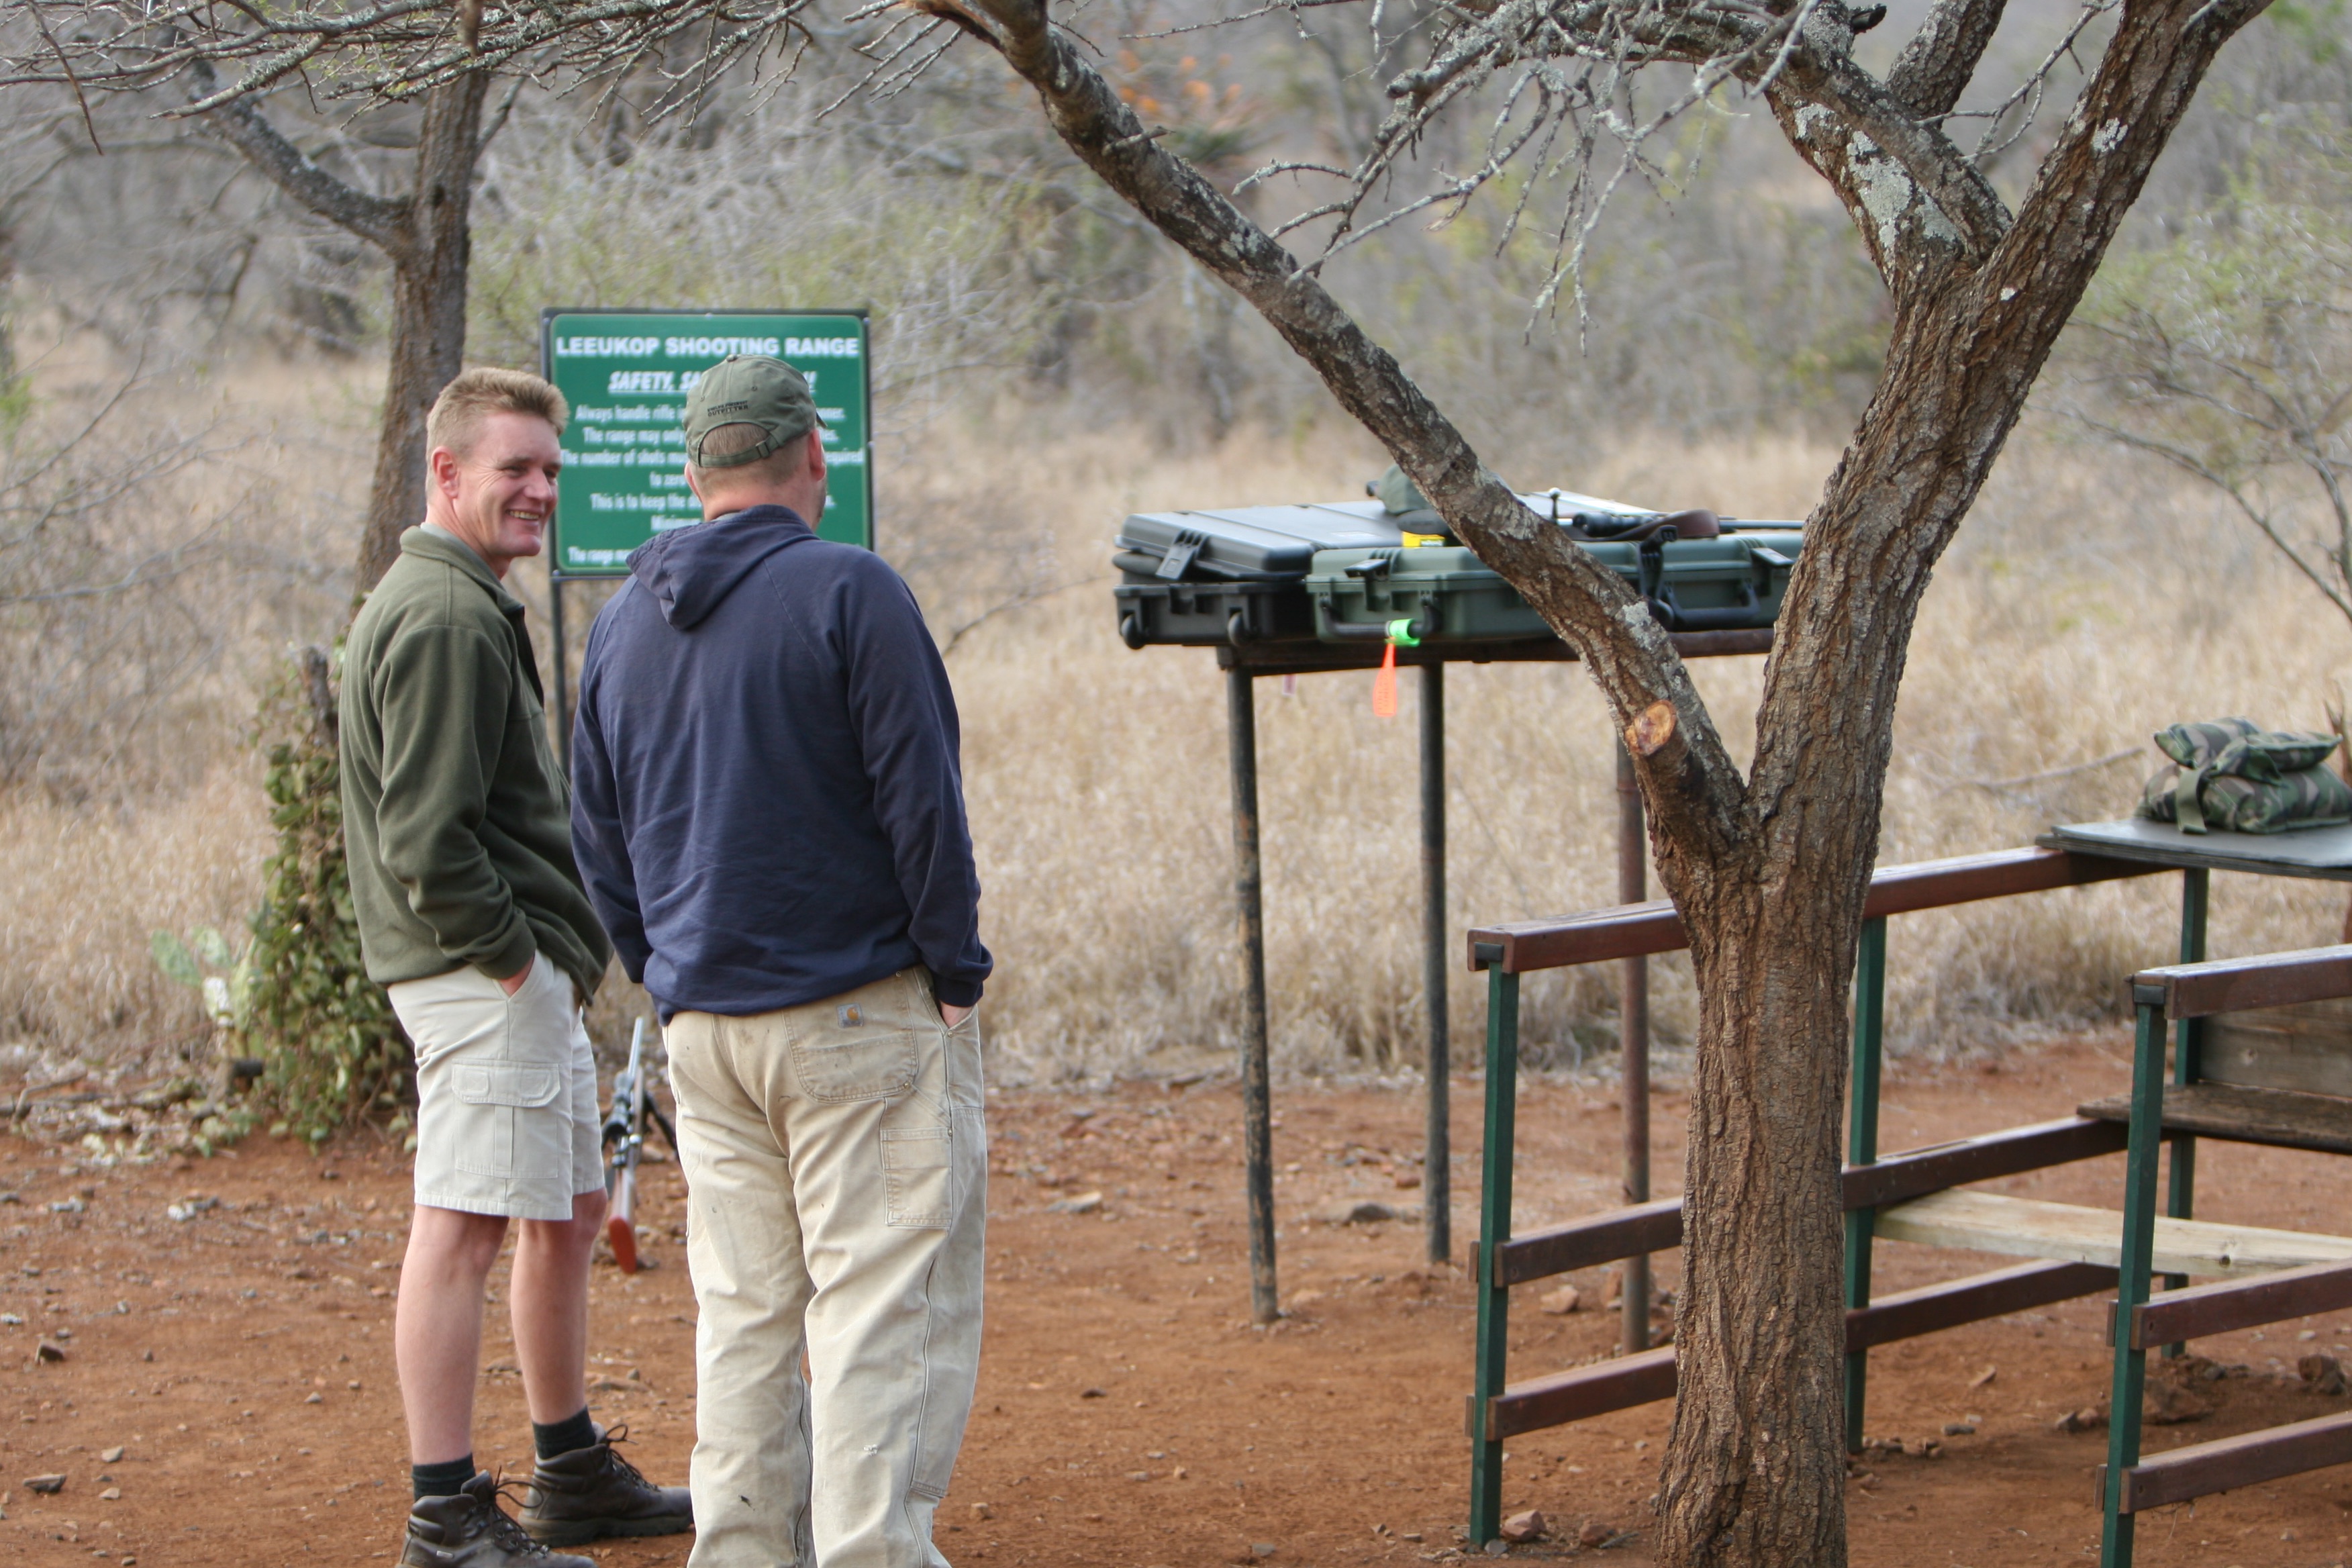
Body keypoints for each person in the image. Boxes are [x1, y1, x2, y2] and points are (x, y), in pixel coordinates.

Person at [568, 354, 992, 1568]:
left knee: (747, 1315)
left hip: (707, 1031)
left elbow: (596, 834)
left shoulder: (621, 621)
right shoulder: (850, 591)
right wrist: (953, 973)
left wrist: (666, 966)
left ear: (696, 470)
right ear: (814, 458)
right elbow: (926, 808)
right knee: (878, 1313)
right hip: (857, 1013)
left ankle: (744, 1553)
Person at [340, 366, 693, 1567]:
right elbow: (426, 844)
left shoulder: (460, 597)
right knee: (464, 1227)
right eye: (515, 468)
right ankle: (444, 1514)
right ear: (447, 472)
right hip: (479, 976)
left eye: (550, 468)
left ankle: (571, 1469)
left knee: (570, 1208)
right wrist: (512, 965)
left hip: (505, 974)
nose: (540, 489)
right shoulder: (443, 616)